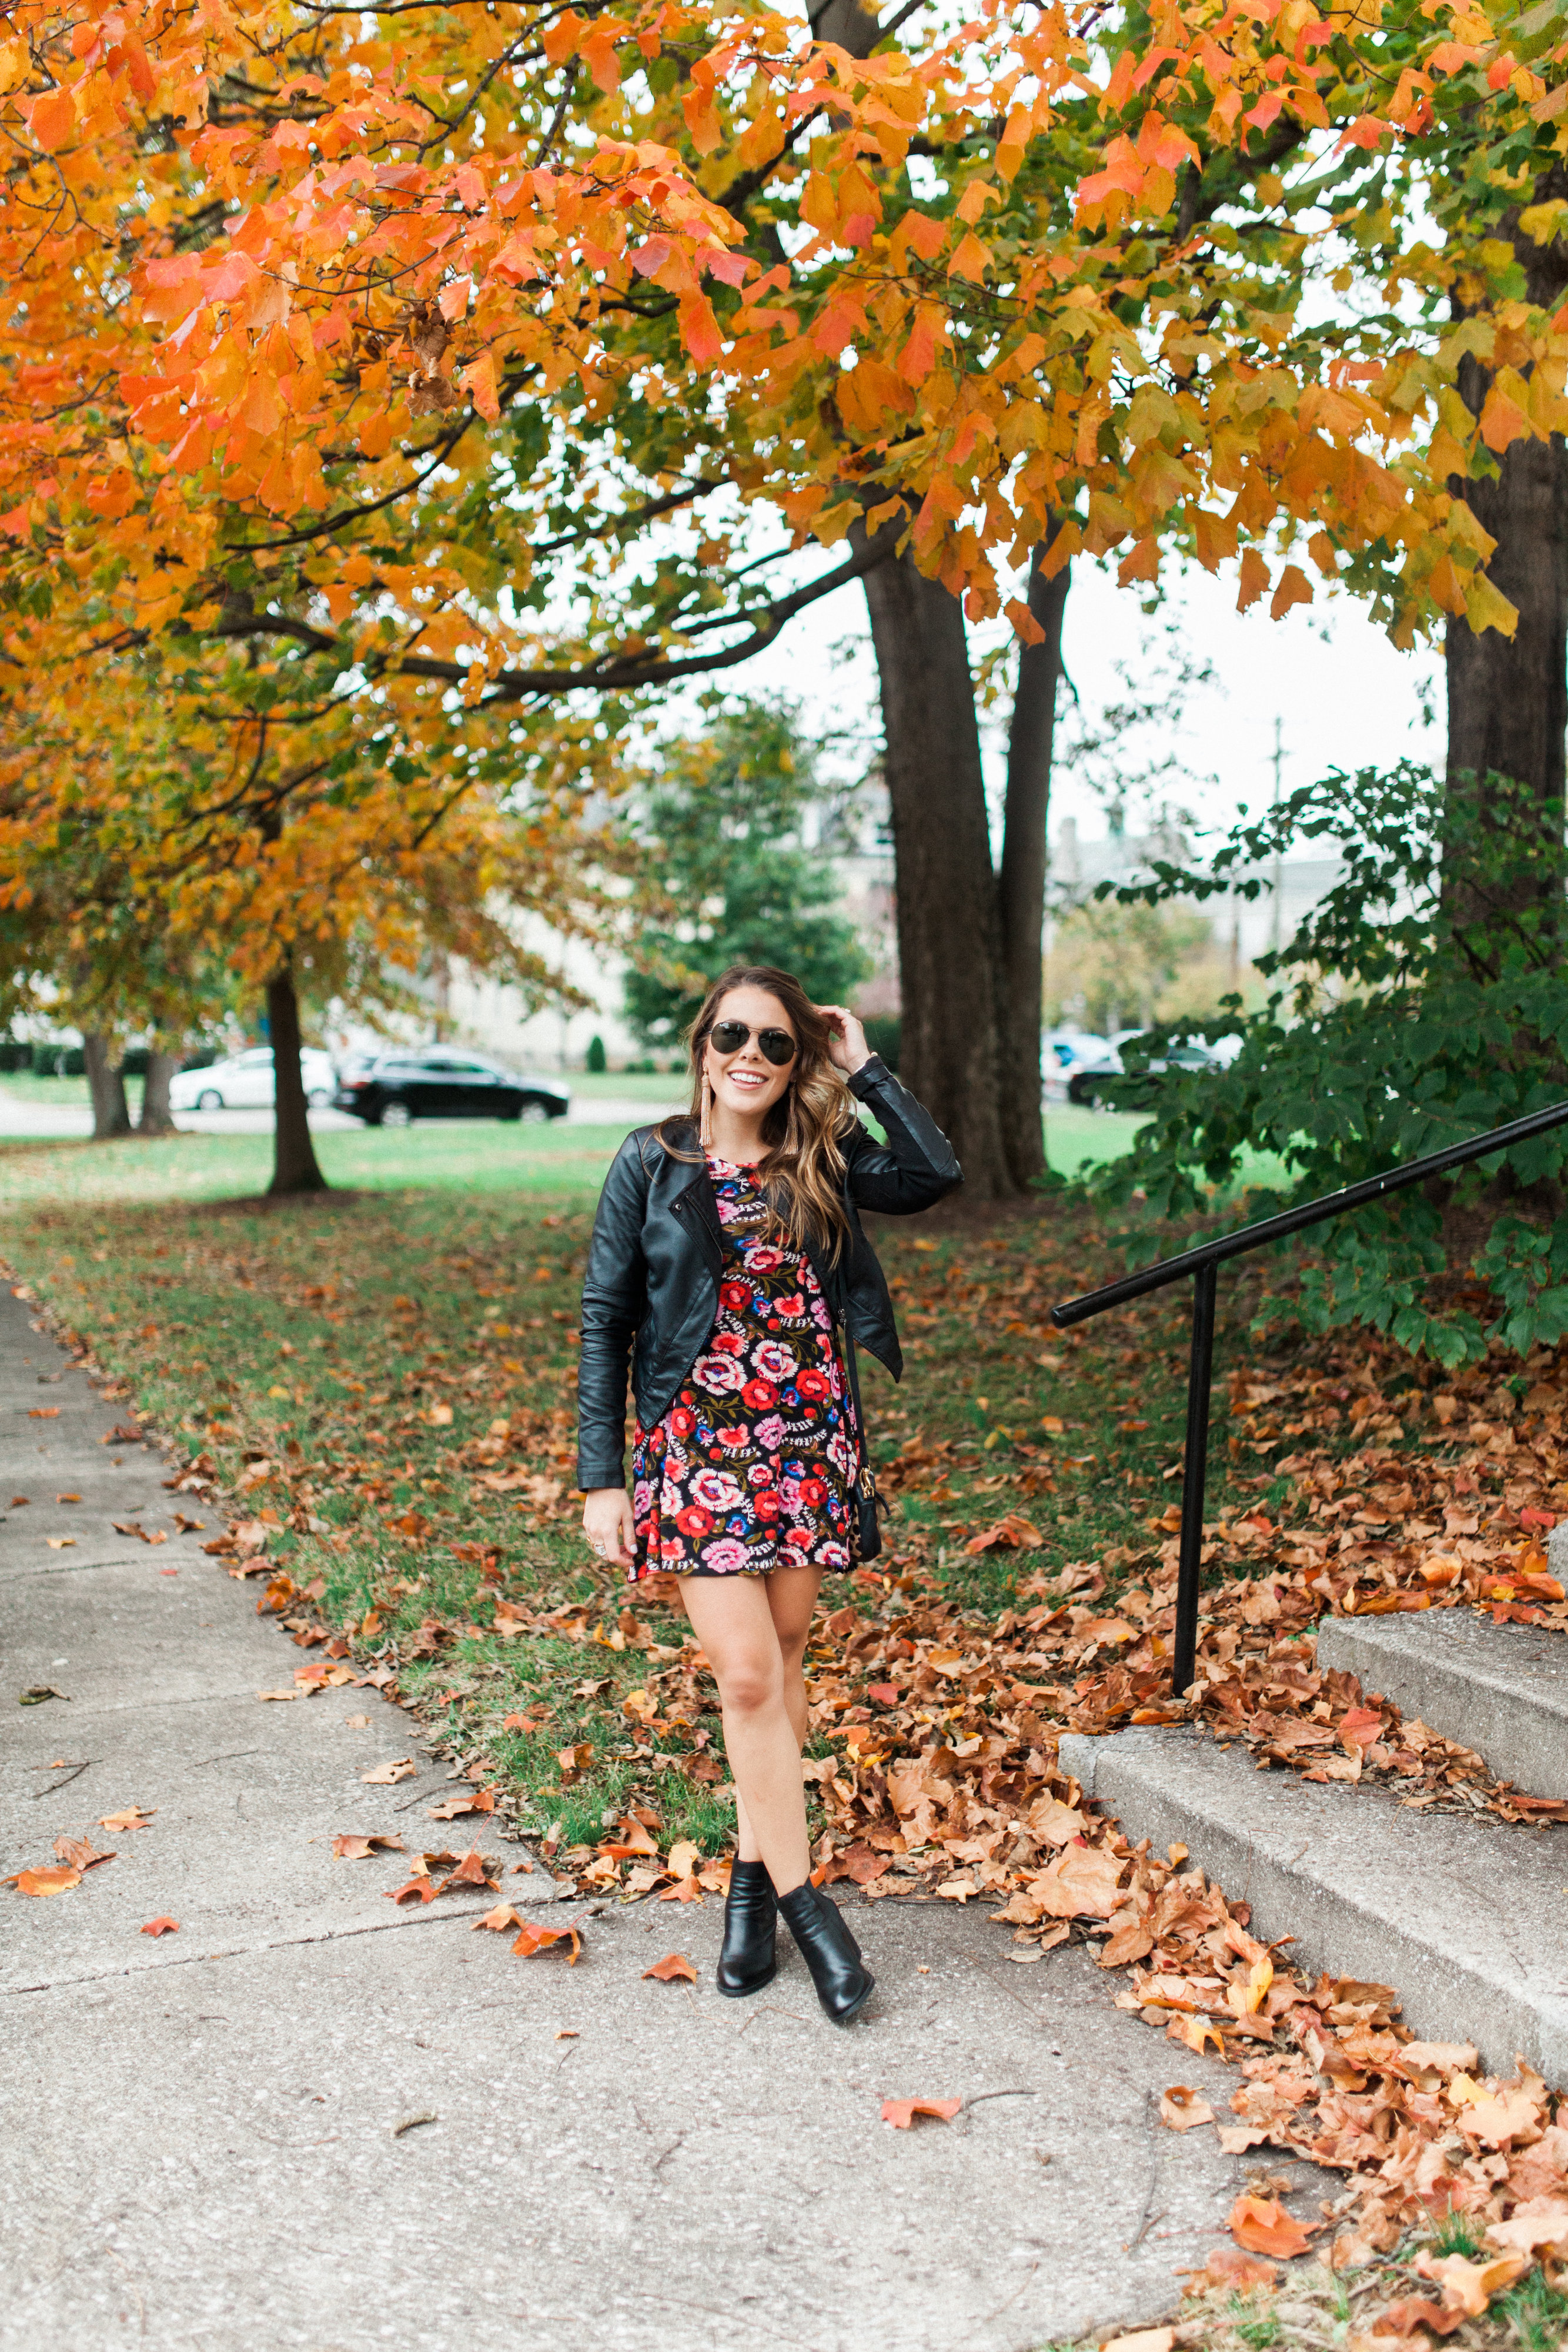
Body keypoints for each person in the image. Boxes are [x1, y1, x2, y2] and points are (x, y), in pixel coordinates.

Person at [577, 965, 962, 2024]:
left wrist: (866, 1069)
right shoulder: (650, 1164)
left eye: (777, 1044)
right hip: (696, 1448)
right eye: (734, 1035)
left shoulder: (819, 1157)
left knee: (786, 1665)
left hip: (803, 1447)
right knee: (747, 1677)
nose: (751, 1055)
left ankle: (747, 1889)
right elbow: (606, 1314)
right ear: (704, 1044)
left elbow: (934, 1175)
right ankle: (809, 1910)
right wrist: (599, 1478)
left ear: (799, 1060)